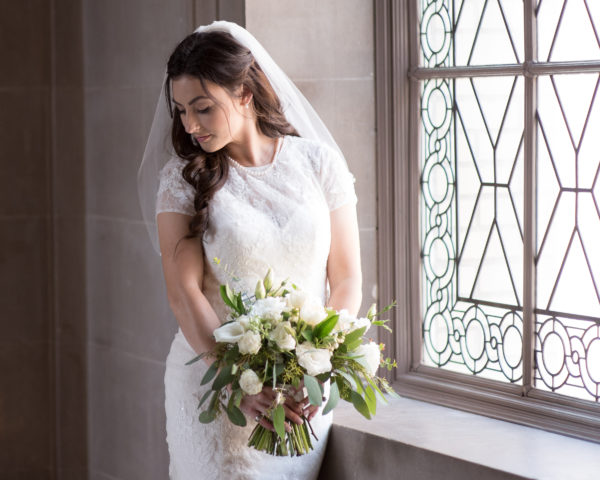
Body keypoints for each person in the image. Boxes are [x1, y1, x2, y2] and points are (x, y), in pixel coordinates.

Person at [140, 21, 361, 479]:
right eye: (181, 111)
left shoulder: (318, 164)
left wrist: (317, 363)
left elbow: (345, 278)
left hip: (301, 393)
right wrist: (235, 385)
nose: (190, 125)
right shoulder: (182, 181)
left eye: (202, 108)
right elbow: (183, 293)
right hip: (213, 387)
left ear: (243, 92)